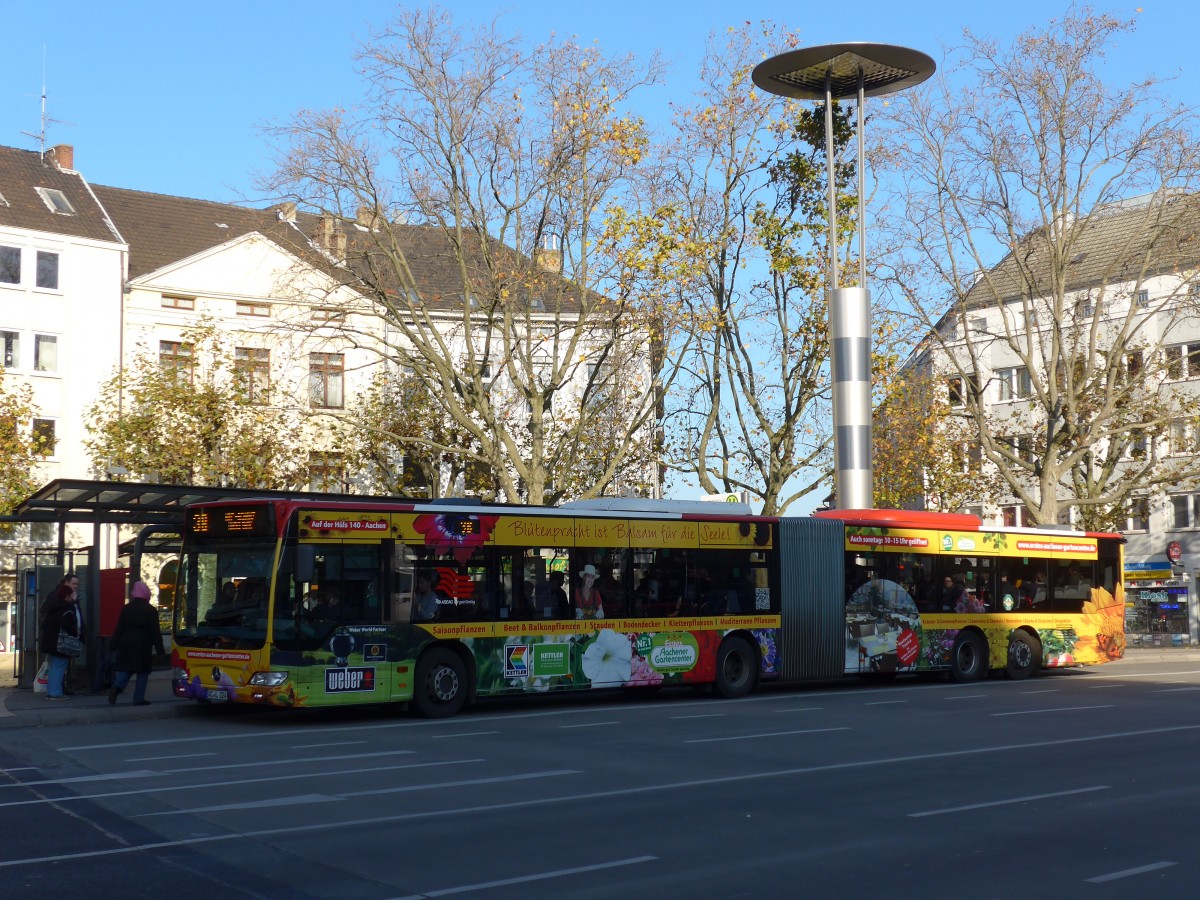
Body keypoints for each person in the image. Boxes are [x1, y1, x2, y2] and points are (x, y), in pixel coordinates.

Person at [108, 581, 165, 706]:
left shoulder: (126, 608)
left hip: (126, 642)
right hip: (143, 643)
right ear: (146, 593)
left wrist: (113, 644)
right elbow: (155, 631)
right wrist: (160, 650)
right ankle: (138, 698)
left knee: (126, 668)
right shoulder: (150, 610)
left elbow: (119, 628)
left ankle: (116, 687)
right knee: (142, 671)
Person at [39, 581, 83, 700]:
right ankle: (56, 693)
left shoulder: (53, 608)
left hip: (50, 643)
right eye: (71, 594)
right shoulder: (67, 608)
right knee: (59, 668)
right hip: (60, 644)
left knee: (53, 668)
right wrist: (76, 632)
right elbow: (69, 626)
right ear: (67, 596)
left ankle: (51, 692)